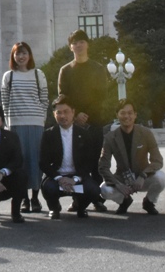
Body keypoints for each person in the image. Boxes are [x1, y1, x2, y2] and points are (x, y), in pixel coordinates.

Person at [57, 29, 111, 210]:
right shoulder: (65, 70)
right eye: (75, 42)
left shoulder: (98, 68)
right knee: (76, 162)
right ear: (70, 47)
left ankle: (97, 198)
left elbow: (102, 95)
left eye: (81, 42)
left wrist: (86, 114)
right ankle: (77, 199)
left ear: (87, 44)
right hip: (73, 123)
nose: (78, 45)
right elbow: (63, 96)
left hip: (94, 121)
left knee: (95, 162)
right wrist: (76, 114)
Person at [0, 41, 49, 213]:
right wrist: (8, 123)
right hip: (16, 124)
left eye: (24, 53)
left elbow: (44, 99)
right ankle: (24, 199)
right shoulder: (8, 76)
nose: (21, 57)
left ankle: (35, 197)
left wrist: (40, 117)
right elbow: (5, 101)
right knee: (20, 162)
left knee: (35, 161)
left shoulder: (38, 74)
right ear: (13, 56)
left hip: (35, 123)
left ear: (29, 56)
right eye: (18, 53)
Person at [100, 98, 165, 215]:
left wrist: (143, 175)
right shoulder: (110, 138)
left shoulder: (146, 133)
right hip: (122, 179)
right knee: (104, 190)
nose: (126, 116)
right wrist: (117, 184)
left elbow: (157, 161)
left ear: (135, 115)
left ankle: (149, 201)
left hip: (143, 178)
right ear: (117, 115)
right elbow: (103, 167)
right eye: (123, 113)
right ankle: (124, 200)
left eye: (130, 113)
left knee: (161, 178)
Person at [39, 94, 102, 219]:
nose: (63, 116)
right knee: (48, 188)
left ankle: (81, 207)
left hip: (78, 176)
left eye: (66, 112)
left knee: (93, 189)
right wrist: (59, 178)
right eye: (59, 113)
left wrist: (76, 179)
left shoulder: (84, 134)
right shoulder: (48, 134)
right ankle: (54, 208)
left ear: (73, 112)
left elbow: (90, 161)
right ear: (54, 114)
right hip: (57, 176)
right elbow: (43, 162)